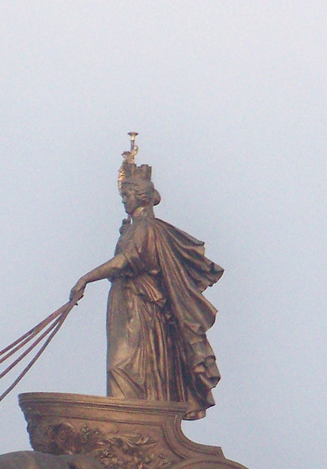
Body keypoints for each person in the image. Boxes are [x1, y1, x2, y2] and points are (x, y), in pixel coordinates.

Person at [69, 136, 224, 420]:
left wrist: (85, 279)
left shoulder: (145, 228)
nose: (124, 201)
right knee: (127, 367)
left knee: (123, 365)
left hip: (138, 309)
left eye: (126, 196)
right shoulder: (134, 228)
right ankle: (131, 420)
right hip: (126, 303)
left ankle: (131, 423)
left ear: (141, 196)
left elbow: (125, 261)